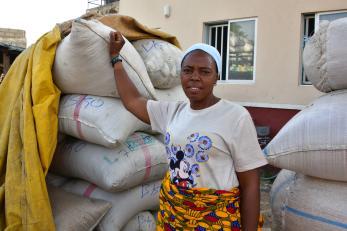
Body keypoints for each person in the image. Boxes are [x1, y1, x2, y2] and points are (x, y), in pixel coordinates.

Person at [109, 31, 268, 231]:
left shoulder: (236, 116)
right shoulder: (173, 111)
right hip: (175, 215)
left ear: (217, 77)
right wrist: (116, 59)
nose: (195, 77)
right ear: (181, 75)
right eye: (188, 70)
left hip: (216, 219)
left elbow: (251, 184)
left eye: (205, 71)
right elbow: (133, 101)